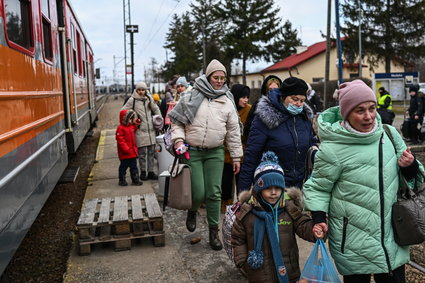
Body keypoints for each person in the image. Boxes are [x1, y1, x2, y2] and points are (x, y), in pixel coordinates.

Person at [303, 79, 423, 283]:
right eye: (360, 110)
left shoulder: (389, 134)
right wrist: (319, 218)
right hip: (353, 241)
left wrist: (409, 166)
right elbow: (317, 188)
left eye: (372, 108)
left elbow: (414, 181)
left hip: (393, 237)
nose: (368, 116)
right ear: (346, 113)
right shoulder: (333, 148)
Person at [168, 59, 243, 251]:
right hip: (192, 151)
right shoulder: (190, 95)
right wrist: (178, 140)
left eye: (222, 78)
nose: (219, 81)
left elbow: (233, 130)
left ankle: (213, 232)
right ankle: (192, 211)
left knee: (214, 192)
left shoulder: (227, 100)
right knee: (199, 191)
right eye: (215, 77)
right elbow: (176, 121)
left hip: (215, 151)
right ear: (208, 77)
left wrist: (236, 157)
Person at [231, 151, 317, 283]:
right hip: (259, 274)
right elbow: (238, 239)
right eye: (268, 188)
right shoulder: (247, 214)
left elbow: (302, 224)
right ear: (258, 189)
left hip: (288, 270)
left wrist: (314, 230)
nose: (273, 192)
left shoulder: (289, 209)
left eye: (277, 188)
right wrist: (243, 262)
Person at [238, 77, 315, 191]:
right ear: (283, 97)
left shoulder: (304, 119)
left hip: (297, 186)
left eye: (302, 101)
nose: (299, 104)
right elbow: (251, 156)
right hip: (269, 186)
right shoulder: (265, 118)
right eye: (295, 99)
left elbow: (310, 145)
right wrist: (243, 193)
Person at [122, 82, 161, 181]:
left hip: (150, 130)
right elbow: (123, 111)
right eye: (139, 90)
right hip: (140, 130)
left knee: (151, 152)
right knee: (142, 153)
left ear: (145, 90)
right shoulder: (132, 100)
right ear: (136, 90)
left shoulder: (149, 98)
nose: (141, 92)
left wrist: (159, 119)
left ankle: (151, 171)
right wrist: (133, 115)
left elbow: (155, 109)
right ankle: (143, 172)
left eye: (142, 90)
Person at [221, 84, 251, 209]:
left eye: (247, 97)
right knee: (225, 183)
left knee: (242, 183)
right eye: (243, 97)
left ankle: (242, 207)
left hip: (242, 153)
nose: (246, 100)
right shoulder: (226, 108)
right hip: (225, 153)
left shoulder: (249, 110)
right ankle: (225, 206)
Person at [244, 75, 282, 139]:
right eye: (270, 89)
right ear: (266, 90)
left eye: (276, 89)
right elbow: (248, 127)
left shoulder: (284, 105)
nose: (273, 91)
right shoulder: (257, 105)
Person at [115, 109, 143, 186]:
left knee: (134, 167)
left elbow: (135, 128)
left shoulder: (130, 126)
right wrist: (126, 149)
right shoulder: (120, 128)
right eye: (129, 118)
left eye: (131, 118)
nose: (131, 120)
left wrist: (137, 122)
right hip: (125, 153)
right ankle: (122, 180)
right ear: (125, 119)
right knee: (123, 167)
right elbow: (120, 140)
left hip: (132, 152)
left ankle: (135, 179)